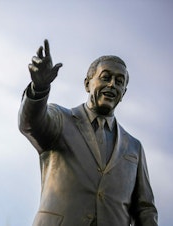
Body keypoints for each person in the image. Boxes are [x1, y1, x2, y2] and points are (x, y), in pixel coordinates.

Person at [18, 40, 158, 226]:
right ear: (87, 84)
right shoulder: (60, 120)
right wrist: (40, 89)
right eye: (105, 77)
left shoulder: (134, 147)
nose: (112, 85)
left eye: (119, 81)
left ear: (123, 92)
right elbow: (30, 124)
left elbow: (144, 209)